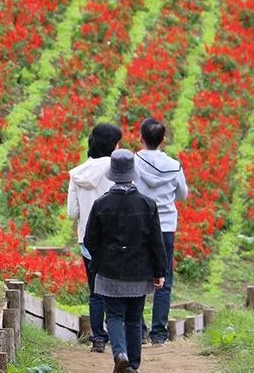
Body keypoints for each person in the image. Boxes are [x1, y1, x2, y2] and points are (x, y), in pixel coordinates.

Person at [84, 149, 168, 373]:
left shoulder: (101, 204)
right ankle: (132, 365)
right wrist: (160, 271)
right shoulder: (147, 205)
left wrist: (101, 260)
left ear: (112, 174)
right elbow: (156, 243)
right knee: (133, 318)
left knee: (113, 315)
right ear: (133, 175)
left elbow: (89, 240)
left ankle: (119, 353)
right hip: (139, 271)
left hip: (109, 270)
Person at [66, 122, 122, 352]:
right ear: (112, 145)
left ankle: (98, 339)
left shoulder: (77, 173)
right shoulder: (116, 168)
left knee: (96, 290)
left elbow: (72, 212)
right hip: (116, 238)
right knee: (118, 288)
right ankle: (122, 336)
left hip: (88, 240)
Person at [133, 117, 188, 346]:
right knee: (163, 279)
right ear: (163, 139)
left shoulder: (133, 161)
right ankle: (158, 334)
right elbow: (183, 194)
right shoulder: (174, 165)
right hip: (165, 226)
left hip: (139, 225)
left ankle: (139, 332)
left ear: (140, 137)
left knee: (136, 278)